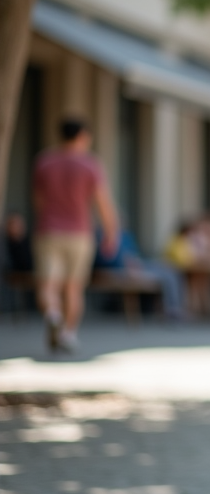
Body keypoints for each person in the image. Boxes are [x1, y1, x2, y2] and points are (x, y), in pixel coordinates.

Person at [31, 118, 118, 353]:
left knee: (48, 285)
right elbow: (103, 203)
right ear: (82, 136)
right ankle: (68, 334)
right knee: (73, 288)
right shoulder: (90, 164)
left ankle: (53, 314)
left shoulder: (44, 162)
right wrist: (111, 232)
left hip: (48, 231)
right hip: (80, 233)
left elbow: (38, 201)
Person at [92, 224, 187, 321]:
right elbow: (103, 259)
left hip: (139, 263)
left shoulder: (125, 235)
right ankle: (172, 310)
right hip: (123, 268)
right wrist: (125, 263)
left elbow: (135, 252)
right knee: (167, 275)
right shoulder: (101, 237)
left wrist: (135, 261)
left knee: (170, 270)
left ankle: (176, 308)